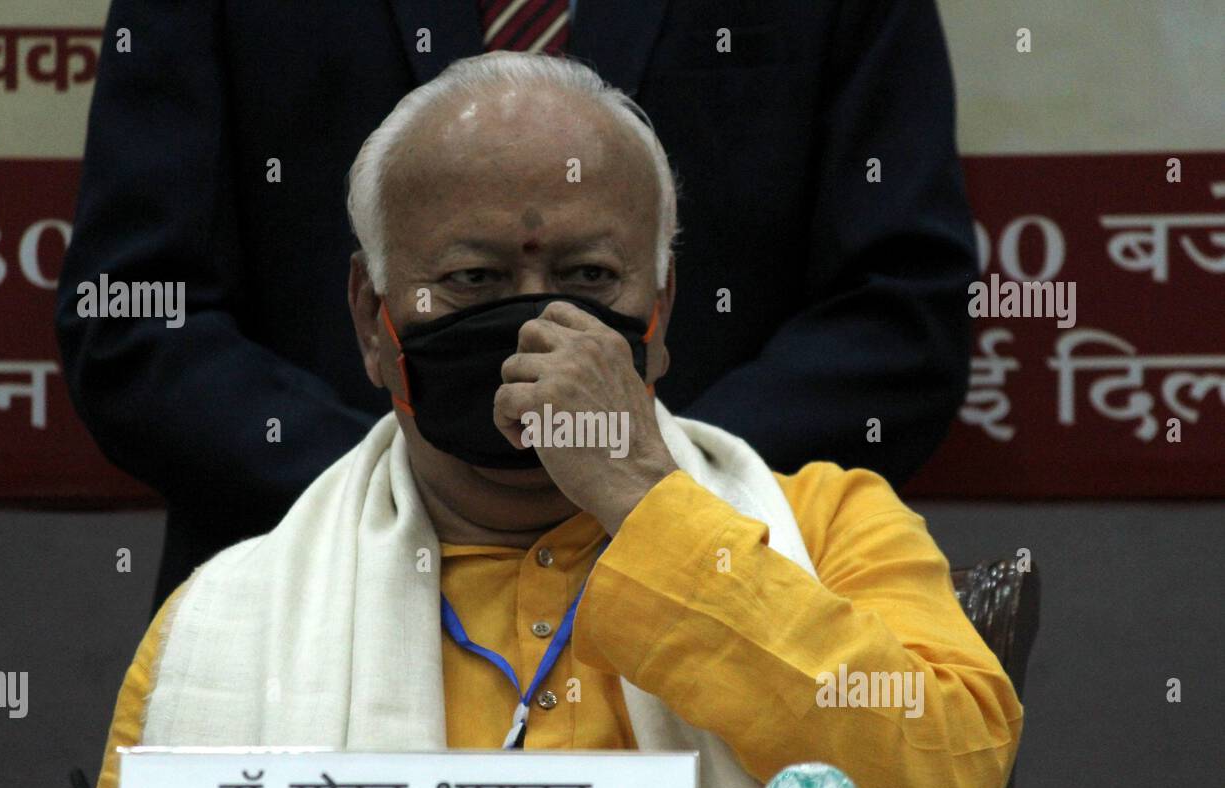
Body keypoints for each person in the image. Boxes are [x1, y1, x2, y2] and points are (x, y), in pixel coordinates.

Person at [89, 53, 1019, 788]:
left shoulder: (832, 528)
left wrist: (652, 507)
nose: (537, 324)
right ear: (374, 320)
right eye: (473, 278)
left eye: (588, 276)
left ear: (660, 310)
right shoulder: (227, 615)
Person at [56, 0, 977, 613]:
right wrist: (422, 505)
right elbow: (136, 316)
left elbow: (898, 316)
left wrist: (652, 497)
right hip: (302, 601)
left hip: (723, 588)